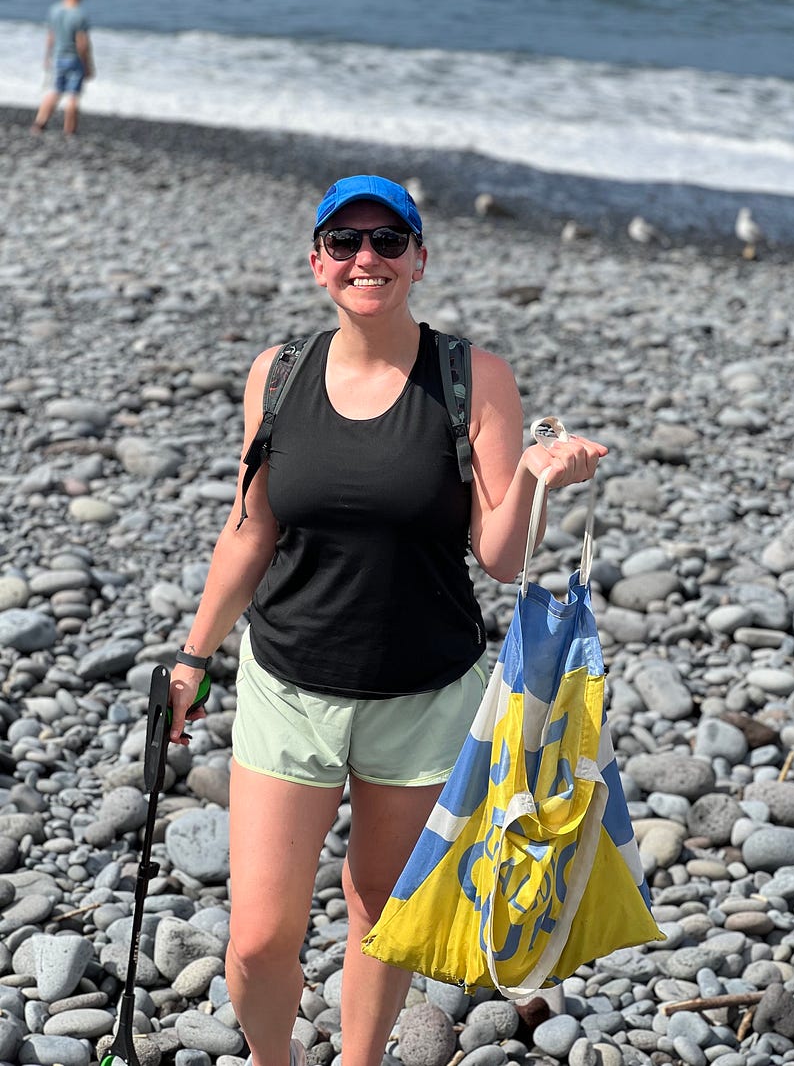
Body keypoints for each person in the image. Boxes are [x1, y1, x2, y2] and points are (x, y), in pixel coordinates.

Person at [168, 174, 608, 1066]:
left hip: (424, 695)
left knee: (380, 914)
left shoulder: (471, 376)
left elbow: (497, 553)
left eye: (387, 242)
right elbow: (251, 527)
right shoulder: (279, 373)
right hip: (288, 684)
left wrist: (534, 477)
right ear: (318, 261)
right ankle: (271, 1059)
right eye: (345, 242)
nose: (366, 258)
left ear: (418, 260)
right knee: (256, 940)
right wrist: (191, 657)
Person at [31, 0, 94, 136]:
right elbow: (82, 43)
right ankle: (69, 130)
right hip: (74, 58)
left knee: (55, 90)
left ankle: (39, 123)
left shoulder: (55, 10)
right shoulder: (79, 14)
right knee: (73, 95)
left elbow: (50, 36)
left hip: (58, 56)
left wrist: (47, 56)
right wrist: (87, 64)